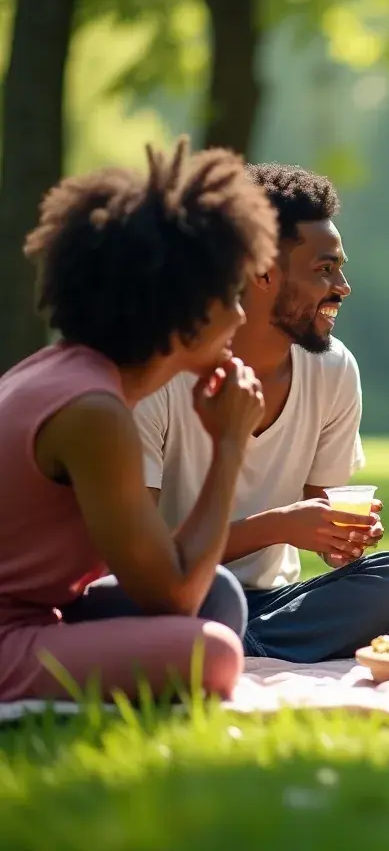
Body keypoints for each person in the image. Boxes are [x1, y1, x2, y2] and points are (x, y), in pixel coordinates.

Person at [0, 140, 277, 703]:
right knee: (214, 652)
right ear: (185, 310)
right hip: (11, 635)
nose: (242, 314)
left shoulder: (70, 375)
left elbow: (171, 582)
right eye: (230, 294)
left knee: (218, 597)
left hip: (40, 614)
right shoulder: (92, 411)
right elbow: (171, 598)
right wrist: (228, 444)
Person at [135, 163, 389, 663]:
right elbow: (141, 558)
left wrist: (341, 535)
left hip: (273, 602)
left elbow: (323, 510)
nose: (342, 286)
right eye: (324, 269)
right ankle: (232, 644)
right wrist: (278, 525)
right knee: (200, 601)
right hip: (176, 595)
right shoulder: (161, 373)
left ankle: (235, 647)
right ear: (263, 271)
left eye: (339, 267)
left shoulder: (334, 368)